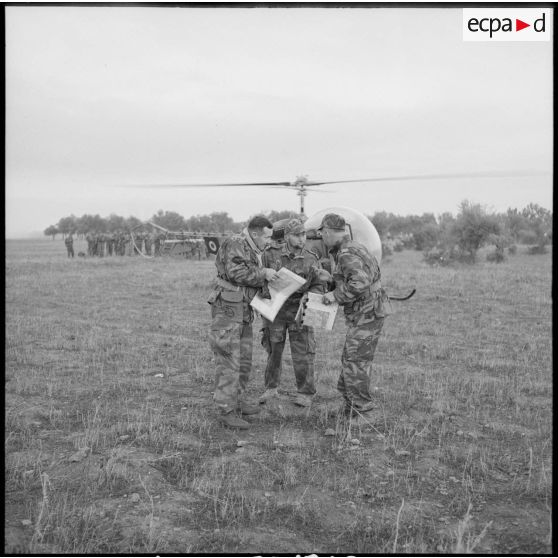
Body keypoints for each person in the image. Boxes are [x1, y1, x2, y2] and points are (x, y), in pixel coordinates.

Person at [208, 216, 281, 429]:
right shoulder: (236, 243)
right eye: (266, 237)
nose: (268, 242)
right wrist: (264, 274)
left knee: (244, 361)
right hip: (228, 310)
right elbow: (236, 273)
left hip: (244, 310)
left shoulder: (251, 248)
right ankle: (225, 409)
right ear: (255, 233)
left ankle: (237, 401)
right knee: (229, 360)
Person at [319, 213, 392, 422]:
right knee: (351, 357)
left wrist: (334, 295)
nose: (323, 238)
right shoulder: (352, 247)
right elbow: (355, 277)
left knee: (355, 360)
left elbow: (359, 283)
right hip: (368, 311)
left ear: (330, 232)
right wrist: (332, 279)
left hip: (367, 313)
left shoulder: (346, 253)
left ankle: (363, 410)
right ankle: (351, 406)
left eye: (323, 233)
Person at [259, 218, 329, 407]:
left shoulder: (311, 257)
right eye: (297, 235)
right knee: (273, 351)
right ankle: (271, 388)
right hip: (276, 310)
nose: (301, 238)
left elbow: (319, 283)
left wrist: (311, 294)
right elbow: (259, 277)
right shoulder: (270, 254)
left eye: (303, 234)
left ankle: (305, 392)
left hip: (300, 310)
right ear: (287, 237)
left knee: (303, 352)